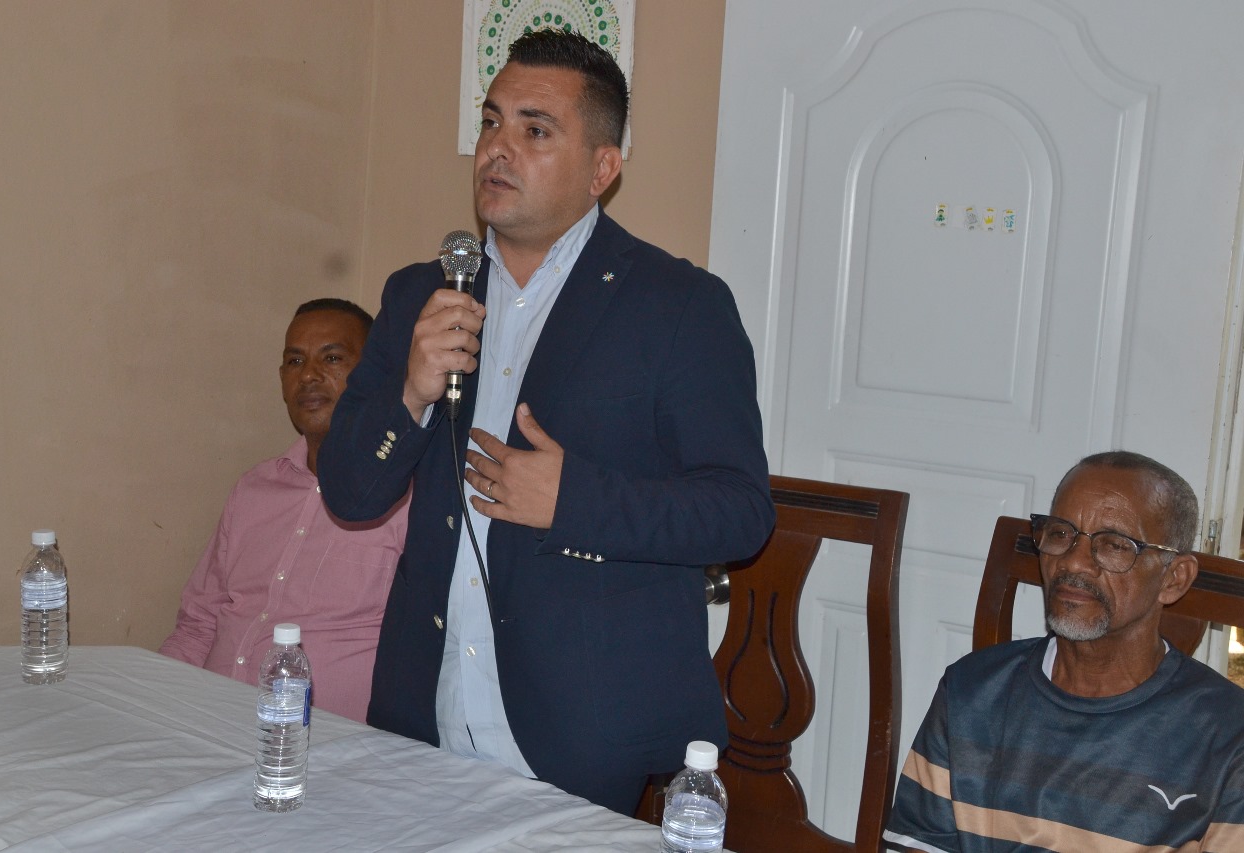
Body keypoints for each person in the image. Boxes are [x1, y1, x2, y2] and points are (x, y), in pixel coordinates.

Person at [316, 29, 774, 813]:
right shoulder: (420, 295)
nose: (499, 148)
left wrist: (574, 499)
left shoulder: (678, 307)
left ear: (602, 168)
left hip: (579, 735)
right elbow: (350, 493)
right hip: (420, 717)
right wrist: (411, 393)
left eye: (535, 130)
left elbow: (739, 512)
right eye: (491, 121)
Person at [885, 451, 1244, 851]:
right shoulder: (971, 692)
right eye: (1060, 534)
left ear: (1173, 579)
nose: (1074, 562)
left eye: (1114, 545)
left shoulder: (1228, 733)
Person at [161, 298, 409, 722]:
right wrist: (150, 700)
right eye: (295, 361)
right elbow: (197, 625)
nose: (308, 375)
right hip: (209, 722)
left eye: (332, 358)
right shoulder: (254, 489)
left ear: (377, 373)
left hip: (324, 743)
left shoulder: (406, 499)